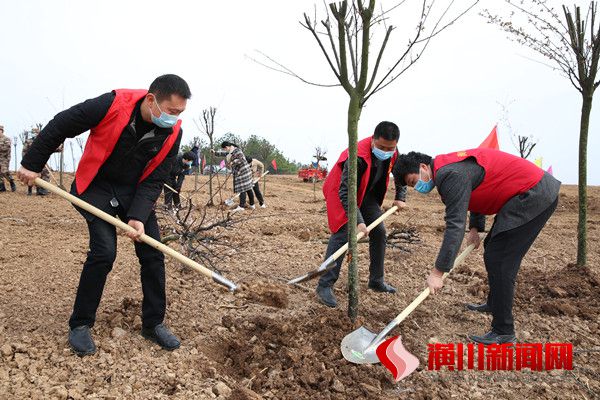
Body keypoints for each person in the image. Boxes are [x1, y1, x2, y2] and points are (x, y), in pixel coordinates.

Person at [18, 74, 191, 356]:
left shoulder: (173, 133)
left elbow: (154, 180)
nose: (174, 118)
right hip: (95, 186)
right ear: (151, 100)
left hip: (134, 192)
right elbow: (62, 123)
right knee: (104, 252)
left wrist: (137, 216)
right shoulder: (113, 104)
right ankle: (80, 324)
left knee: (152, 254)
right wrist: (31, 162)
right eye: (171, 111)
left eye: (180, 113)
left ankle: (153, 323)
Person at [395, 148, 561, 344]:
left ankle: (504, 330)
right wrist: (475, 228)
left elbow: (455, 225)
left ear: (423, 167)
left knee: (500, 259)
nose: (418, 187)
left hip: (533, 194)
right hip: (528, 193)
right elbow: (475, 192)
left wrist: (438, 272)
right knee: (492, 248)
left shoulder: (450, 174)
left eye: (414, 181)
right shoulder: (449, 168)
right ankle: (495, 303)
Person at [316, 121, 407, 308]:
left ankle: (376, 280)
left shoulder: (394, 152)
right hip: (342, 191)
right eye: (381, 147)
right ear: (373, 139)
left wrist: (400, 197)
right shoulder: (356, 155)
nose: (386, 151)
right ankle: (324, 285)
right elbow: (345, 191)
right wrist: (358, 221)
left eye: (390, 148)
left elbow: (401, 172)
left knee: (379, 232)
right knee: (343, 232)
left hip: (366, 193)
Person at [212, 141, 254, 212]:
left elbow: (242, 159)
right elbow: (224, 153)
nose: (224, 150)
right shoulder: (231, 151)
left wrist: (232, 162)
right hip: (242, 171)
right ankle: (252, 205)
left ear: (227, 147)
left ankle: (241, 206)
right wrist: (215, 152)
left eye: (224, 149)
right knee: (248, 188)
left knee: (242, 189)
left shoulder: (237, 151)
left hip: (242, 171)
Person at [22, 128, 60, 195]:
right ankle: (30, 189)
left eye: (36, 132)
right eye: (34, 133)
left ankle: (42, 189)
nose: (35, 134)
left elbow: (52, 148)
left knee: (45, 174)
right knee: (31, 175)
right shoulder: (28, 141)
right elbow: (24, 151)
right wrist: (26, 161)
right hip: (31, 161)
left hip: (42, 161)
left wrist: (60, 147)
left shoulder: (43, 141)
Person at [0, 125, 17, 192]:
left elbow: (6, 148)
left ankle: (11, 182)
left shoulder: (6, 139)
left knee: (4, 171)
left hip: (4, 158)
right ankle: (2, 187)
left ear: (2, 131)